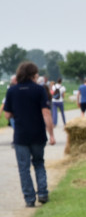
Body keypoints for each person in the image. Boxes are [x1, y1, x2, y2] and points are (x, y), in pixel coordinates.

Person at [2, 62, 55, 207]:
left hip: (21, 136)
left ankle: (29, 199)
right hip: (37, 134)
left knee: (23, 168)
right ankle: (43, 193)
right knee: (39, 163)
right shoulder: (39, 90)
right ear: (33, 74)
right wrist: (51, 134)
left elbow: (7, 115)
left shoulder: (12, 91)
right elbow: (46, 113)